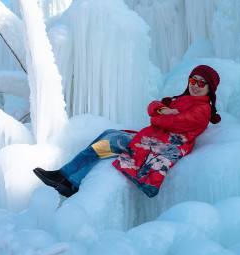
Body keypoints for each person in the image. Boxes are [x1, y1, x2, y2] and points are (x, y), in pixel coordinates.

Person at [33, 65, 221, 198]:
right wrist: (162, 110)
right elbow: (153, 106)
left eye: (201, 83)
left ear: (209, 89)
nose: (195, 85)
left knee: (109, 143)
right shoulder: (181, 99)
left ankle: (67, 179)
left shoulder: (203, 109)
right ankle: (67, 179)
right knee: (109, 133)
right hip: (155, 137)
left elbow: (173, 123)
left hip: (164, 145)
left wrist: (159, 116)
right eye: (193, 80)